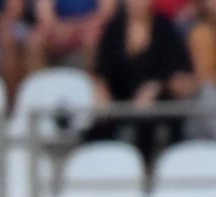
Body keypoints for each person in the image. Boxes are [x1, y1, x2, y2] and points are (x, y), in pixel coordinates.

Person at [84, 0, 199, 163]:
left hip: (158, 97)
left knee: (148, 117)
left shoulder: (164, 27)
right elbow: (102, 69)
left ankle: (144, 170)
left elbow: (176, 71)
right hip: (120, 97)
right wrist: (102, 89)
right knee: (99, 124)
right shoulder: (114, 28)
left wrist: (157, 86)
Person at [25, 0, 116, 73]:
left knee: (92, 40)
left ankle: (92, 86)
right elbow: (45, 15)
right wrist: (62, 29)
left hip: (90, 29)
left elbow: (106, 12)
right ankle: (38, 89)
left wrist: (77, 28)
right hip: (59, 31)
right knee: (36, 41)